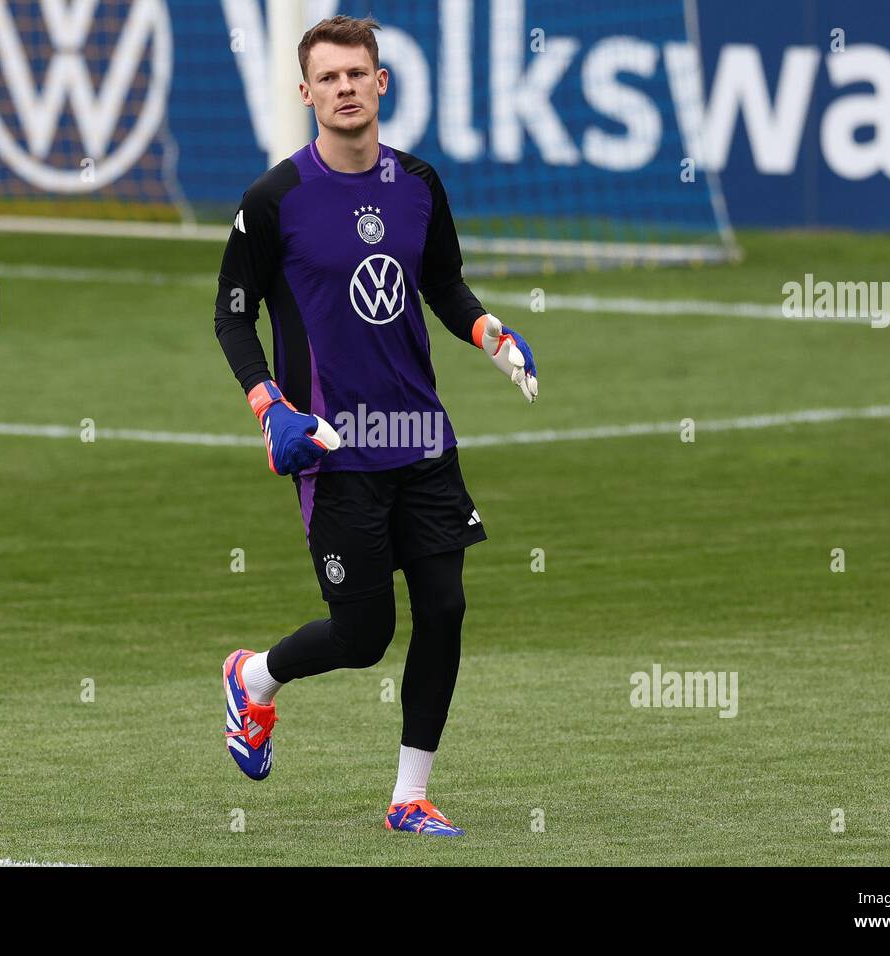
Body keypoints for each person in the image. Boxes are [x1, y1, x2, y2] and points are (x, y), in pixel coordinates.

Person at [212, 14, 538, 837]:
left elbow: (444, 285)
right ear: (307, 92)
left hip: (422, 439)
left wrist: (492, 334)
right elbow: (231, 318)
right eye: (329, 78)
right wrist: (270, 408)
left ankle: (409, 796)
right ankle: (254, 679)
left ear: (381, 82)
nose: (345, 88)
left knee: (447, 606)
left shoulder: (420, 185)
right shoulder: (273, 201)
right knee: (363, 635)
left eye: (358, 74)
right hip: (334, 449)